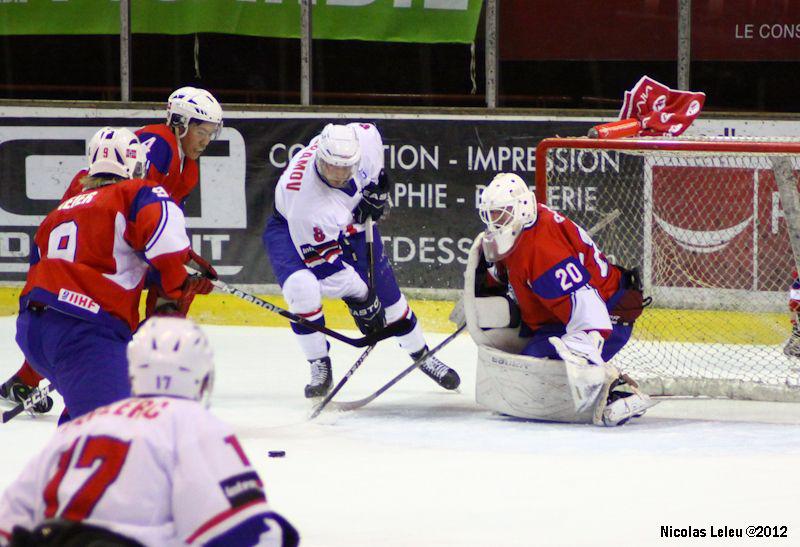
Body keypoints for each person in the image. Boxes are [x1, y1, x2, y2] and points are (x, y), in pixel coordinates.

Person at [0, 86, 222, 415]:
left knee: (98, 297)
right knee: (139, 290)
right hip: (101, 225)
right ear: (179, 123)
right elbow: (144, 205)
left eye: (210, 133)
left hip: (55, 286)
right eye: (202, 131)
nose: (206, 140)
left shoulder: (186, 166)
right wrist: (177, 272)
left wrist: (185, 257)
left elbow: (159, 224)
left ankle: (35, 376)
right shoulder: (159, 143)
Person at [0, 317, 299, 547]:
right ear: (203, 379)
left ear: (132, 371)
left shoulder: (79, 426)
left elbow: (7, 523)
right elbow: (242, 533)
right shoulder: (194, 425)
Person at [263, 123, 460, 398]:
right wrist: (364, 300)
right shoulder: (306, 206)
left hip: (350, 221)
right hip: (290, 230)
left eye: (347, 168)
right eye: (332, 167)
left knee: (389, 298)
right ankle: (319, 362)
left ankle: (422, 354)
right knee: (301, 288)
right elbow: (329, 272)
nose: (340, 175)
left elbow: (374, 158)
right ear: (320, 158)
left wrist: (378, 188)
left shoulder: (365, 140)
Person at [463, 173, 657, 426]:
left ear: (522, 208)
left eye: (503, 212)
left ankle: (618, 391)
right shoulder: (522, 226)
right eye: (492, 213)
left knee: (535, 375)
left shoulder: (544, 253)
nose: (496, 221)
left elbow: (587, 307)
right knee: (524, 378)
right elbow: (511, 271)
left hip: (606, 317)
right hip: (558, 316)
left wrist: (584, 364)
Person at [784, 269, 800, 357]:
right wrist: (793, 321)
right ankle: (792, 347)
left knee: (797, 331)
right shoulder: (797, 286)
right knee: (797, 331)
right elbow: (794, 305)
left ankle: (793, 347)